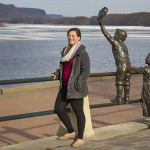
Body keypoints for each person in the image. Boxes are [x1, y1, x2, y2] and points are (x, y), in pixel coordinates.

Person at [49, 28, 90, 148]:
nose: (70, 38)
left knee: (79, 113)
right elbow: (64, 67)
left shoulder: (82, 53)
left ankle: (80, 138)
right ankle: (71, 132)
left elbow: (86, 71)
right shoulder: (65, 51)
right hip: (65, 87)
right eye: (69, 35)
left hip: (76, 89)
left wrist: (78, 82)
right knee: (58, 109)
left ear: (79, 37)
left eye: (73, 36)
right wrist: (57, 73)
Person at [97, 7, 131, 105]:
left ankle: (119, 99)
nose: (114, 35)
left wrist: (101, 24)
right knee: (127, 82)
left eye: (116, 34)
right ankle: (127, 98)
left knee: (119, 82)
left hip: (122, 66)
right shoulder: (124, 45)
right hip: (129, 65)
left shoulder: (116, 43)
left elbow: (106, 34)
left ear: (119, 36)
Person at [132, 53, 150, 117]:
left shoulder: (146, 69)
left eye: (147, 58)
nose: (145, 59)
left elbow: (137, 70)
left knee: (148, 102)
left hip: (147, 87)